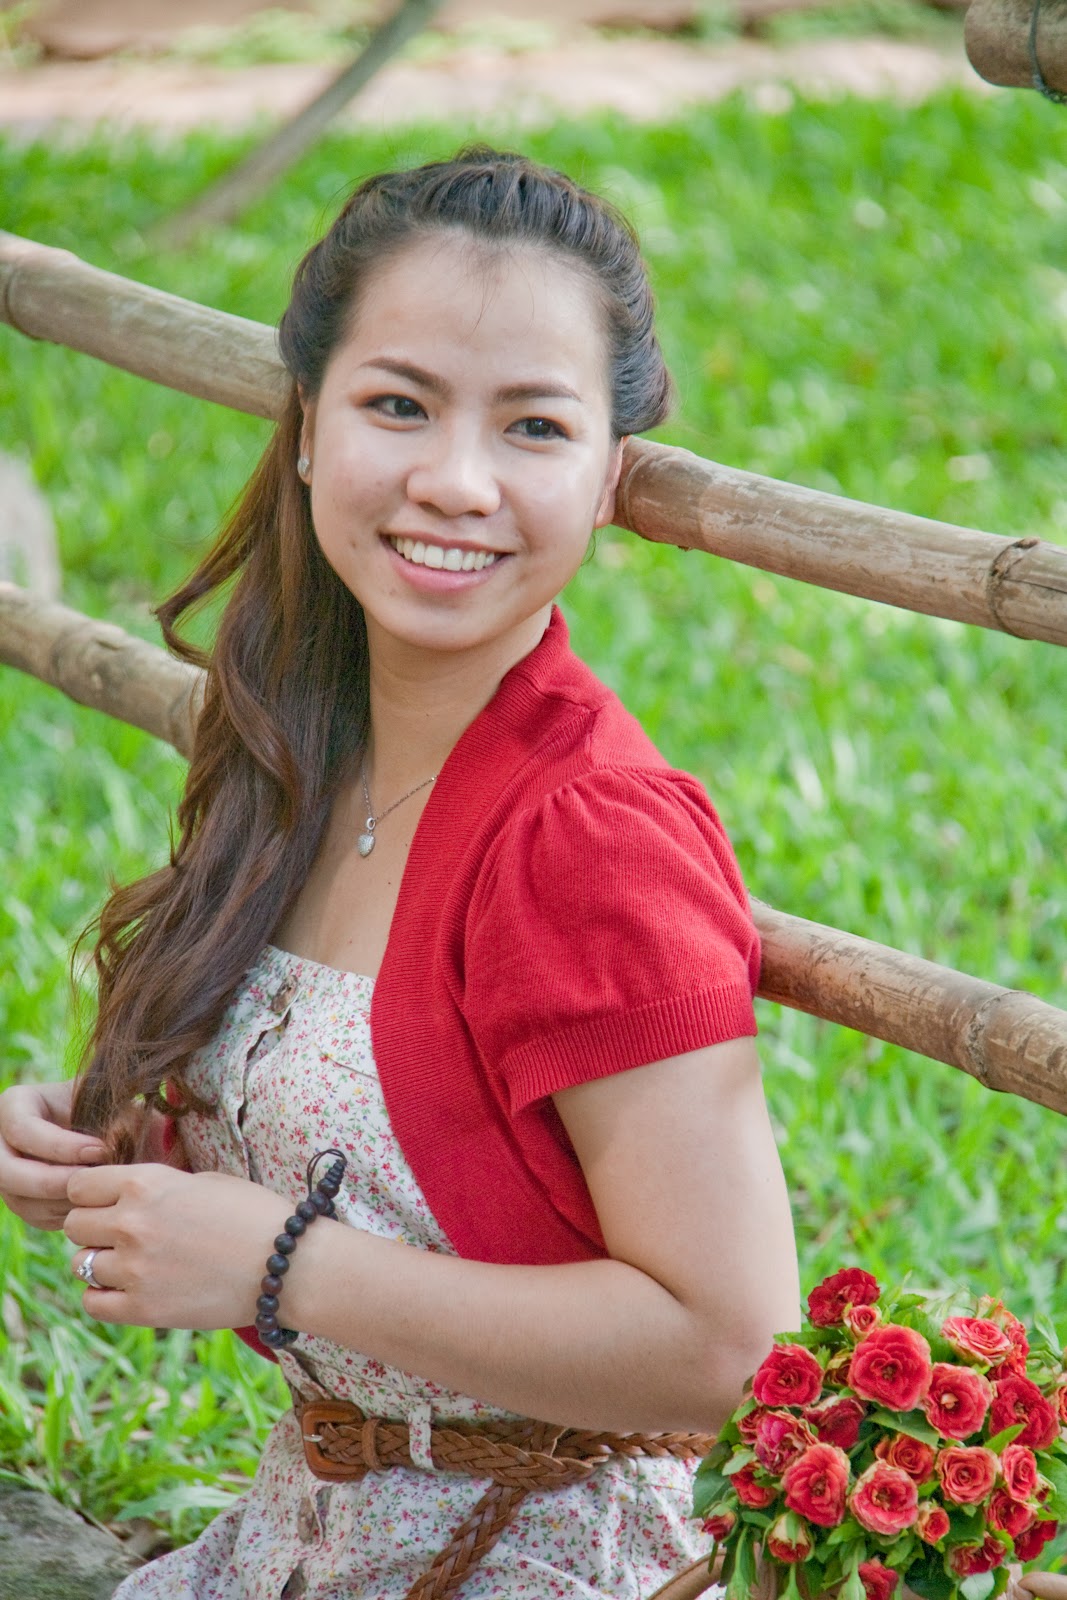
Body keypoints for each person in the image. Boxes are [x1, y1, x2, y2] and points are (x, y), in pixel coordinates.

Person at [0, 147, 800, 1600]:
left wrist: (281, 1265)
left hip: (551, 1565)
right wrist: (118, 1146)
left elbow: (730, 1347)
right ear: (308, 427)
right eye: (399, 405)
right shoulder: (309, 744)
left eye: (534, 426)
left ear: (608, 480)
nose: (456, 481)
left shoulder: (588, 838)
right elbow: (388, 1143)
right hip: (301, 1545)